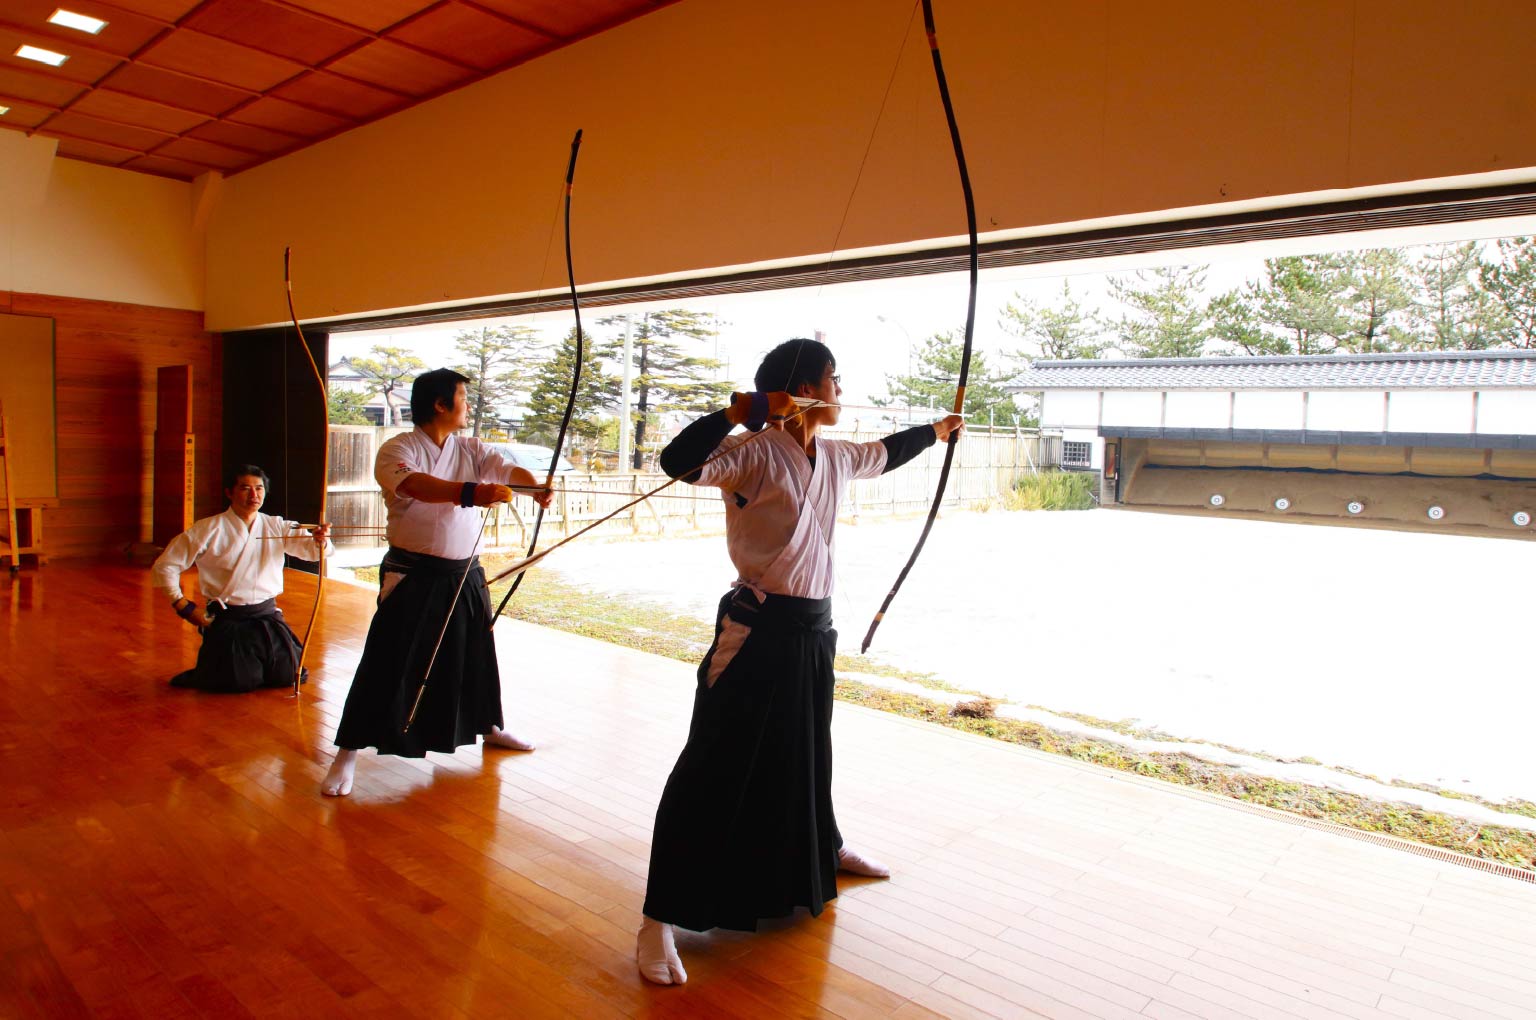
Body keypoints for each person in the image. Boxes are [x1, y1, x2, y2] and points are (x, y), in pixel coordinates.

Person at [635, 338, 964, 985]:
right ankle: (656, 920)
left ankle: (823, 846)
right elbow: (677, 461)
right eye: (833, 380)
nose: (841, 390)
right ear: (806, 389)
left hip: (814, 631)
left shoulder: (836, 457)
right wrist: (746, 409)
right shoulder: (751, 452)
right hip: (756, 631)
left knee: (808, 748)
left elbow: (888, 453)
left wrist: (937, 429)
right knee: (710, 765)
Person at [321, 369, 553, 797]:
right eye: (463, 398)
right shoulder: (398, 448)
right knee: (388, 659)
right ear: (440, 405)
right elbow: (416, 486)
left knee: (477, 655)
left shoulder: (470, 447)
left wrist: (532, 487)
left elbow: (506, 469)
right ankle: (347, 751)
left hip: (464, 572)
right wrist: (472, 492)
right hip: (414, 573)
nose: (469, 406)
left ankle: (491, 726)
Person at [151, 464, 332, 693]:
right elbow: (165, 565)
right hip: (229, 620)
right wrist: (183, 606)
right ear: (229, 492)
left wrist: (320, 540)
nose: (254, 495)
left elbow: (312, 550)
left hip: (267, 617)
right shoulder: (208, 529)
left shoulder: (275, 525)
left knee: (288, 674)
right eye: (245, 488)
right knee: (239, 682)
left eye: (259, 488)